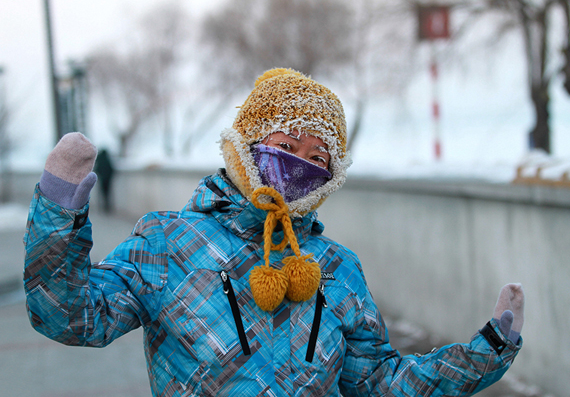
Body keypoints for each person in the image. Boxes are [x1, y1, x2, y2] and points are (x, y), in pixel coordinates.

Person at [23, 68, 524, 396]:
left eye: (317, 158)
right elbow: (69, 316)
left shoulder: (335, 267)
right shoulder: (168, 243)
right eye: (285, 144)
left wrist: (483, 354)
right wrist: (57, 210)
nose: (298, 166)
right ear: (247, 144)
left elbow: (377, 383)